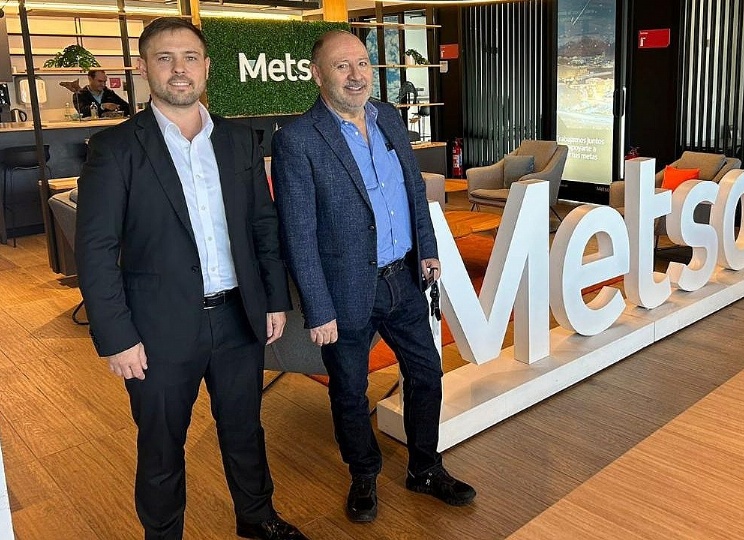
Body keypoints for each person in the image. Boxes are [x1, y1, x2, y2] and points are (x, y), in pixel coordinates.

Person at [75, 17, 306, 540]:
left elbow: (262, 225)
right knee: (161, 445)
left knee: (245, 429)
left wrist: (273, 298)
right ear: (143, 68)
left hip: (237, 316)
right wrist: (116, 336)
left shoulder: (239, 140)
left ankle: (257, 518)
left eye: (190, 58)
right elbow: (95, 251)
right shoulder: (115, 148)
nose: (179, 70)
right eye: (165, 58)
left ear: (206, 67)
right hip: (156, 330)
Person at [272, 30, 476, 523]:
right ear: (317, 75)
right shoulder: (297, 140)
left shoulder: (388, 117)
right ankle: (363, 473)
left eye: (362, 64)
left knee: (426, 373)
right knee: (348, 389)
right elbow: (298, 233)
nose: (356, 75)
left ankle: (424, 468)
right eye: (341, 66)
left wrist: (427, 248)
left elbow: (412, 190)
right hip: (344, 290)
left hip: (402, 277)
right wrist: (318, 308)